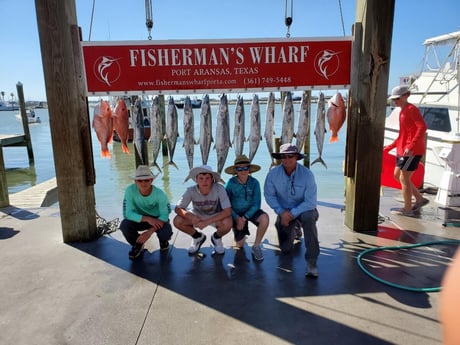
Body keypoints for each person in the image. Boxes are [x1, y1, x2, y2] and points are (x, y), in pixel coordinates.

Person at [264, 143, 320, 278]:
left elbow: (310, 202)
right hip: (283, 211)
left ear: (297, 157)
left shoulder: (307, 175)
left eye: (291, 156)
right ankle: (294, 229)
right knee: (285, 250)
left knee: (309, 218)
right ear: (280, 158)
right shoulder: (272, 174)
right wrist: (282, 212)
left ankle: (311, 262)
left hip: (303, 210)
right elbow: (269, 196)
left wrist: (292, 214)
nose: (287, 159)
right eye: (284, 156)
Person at [384, 85, 429, 217]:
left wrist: (411, 146)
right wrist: (389, 147)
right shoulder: (402, 111)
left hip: (411, 151)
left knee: (404, 178)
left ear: (405, 96)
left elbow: (422, 127)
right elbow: (402, 134)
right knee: (397, 175)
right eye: (393, 99)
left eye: (397, 98)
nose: (395, 101)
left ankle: (408, 209)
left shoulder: (411, 109)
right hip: (403, 150)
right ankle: (419, 199)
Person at [173, 165, 232, 255]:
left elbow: (227, 211)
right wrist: (191, 216)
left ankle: (216, 237)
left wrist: (207, 222)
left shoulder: (219, 188)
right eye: (201, 178)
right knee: (177, 221)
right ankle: (197, 237)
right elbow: (178, 208)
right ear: (196, 180)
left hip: (214, 215)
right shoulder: (190, 190)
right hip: (197, 215)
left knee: (228, 222)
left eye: (207, 178)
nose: (204, 181)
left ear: (212, 179)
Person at [119, 165, 172, 260]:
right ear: (135, 181)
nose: (143, 183)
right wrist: (148, 219)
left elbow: (165, 215)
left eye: (146, 180)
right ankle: (138, 244)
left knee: (165, 232)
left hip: (157, 219)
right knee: (124, 225)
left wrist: (149, 232)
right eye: (140, 180)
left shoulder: (160, 194)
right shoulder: (130, 190)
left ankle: (163, 241)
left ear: (151, 180)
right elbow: (127, 214)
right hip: (140, 218)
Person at [224, 155, 269, 261]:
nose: (243, 171)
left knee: (265, 219)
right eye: (239, 168)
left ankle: (256, 246)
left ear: (249, 169)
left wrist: (244, 218)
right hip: (236, 214)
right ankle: (238, 233)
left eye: (246, 168)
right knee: (240, 245)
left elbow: (256, 204)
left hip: (251, 212)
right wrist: (237, 218)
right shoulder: (230, 184)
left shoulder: (255, 182)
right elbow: (226, 204)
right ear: (235, 170)